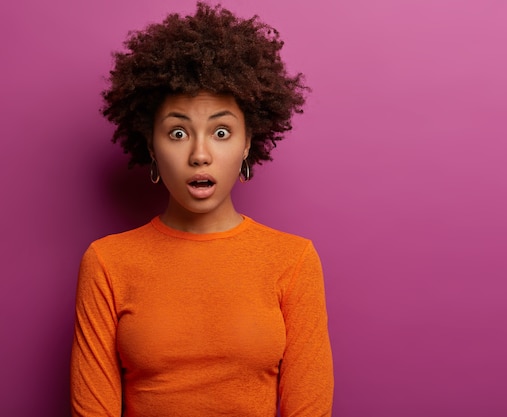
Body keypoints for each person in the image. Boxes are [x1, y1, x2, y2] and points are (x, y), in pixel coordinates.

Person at [69, 3, 333, 416]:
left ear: (247, 142)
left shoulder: (293, 261)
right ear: (152, 146)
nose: (200, 154)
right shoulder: (107, 262)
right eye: (177, 132)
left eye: (222, 131)